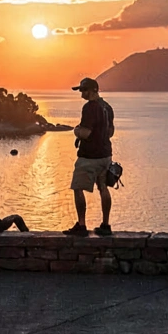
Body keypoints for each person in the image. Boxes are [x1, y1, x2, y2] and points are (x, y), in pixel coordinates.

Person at [64, 77, 114, 237]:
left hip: (89, 156)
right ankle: (106, 225)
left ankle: (81, 225)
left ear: (93, 90)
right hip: (106, 155)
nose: (82, 94)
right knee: (103, 187)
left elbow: (85, 133)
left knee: (78, 188)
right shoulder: (107, 107)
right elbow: (111, 132)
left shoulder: (90, 108)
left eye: (84, 90)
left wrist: (76, 131)